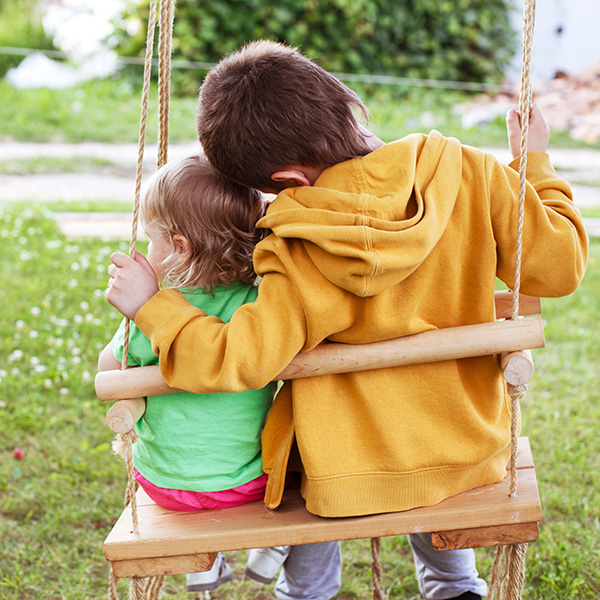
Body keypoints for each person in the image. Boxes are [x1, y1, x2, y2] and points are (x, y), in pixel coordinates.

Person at [105, 41, 588, 600]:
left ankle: (303, 587)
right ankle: (453, 584)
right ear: (346, 102)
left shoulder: (296, 246)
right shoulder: (472, 173)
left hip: (344, 478)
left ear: (289, 180)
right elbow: (561, 268)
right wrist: (535, 165)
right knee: (437, 502)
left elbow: (236, 359)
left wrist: (151, 307)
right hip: (468, 454)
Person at [98, 154, 314, 593]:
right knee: (299, 457)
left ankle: (204, 567)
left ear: (179, 247)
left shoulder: (152, 316)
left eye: (151, 240)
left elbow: (109, 370)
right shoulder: (257, 306)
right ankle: (274, 551)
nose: (145, 251)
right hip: (249, 483)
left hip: (165, 488)